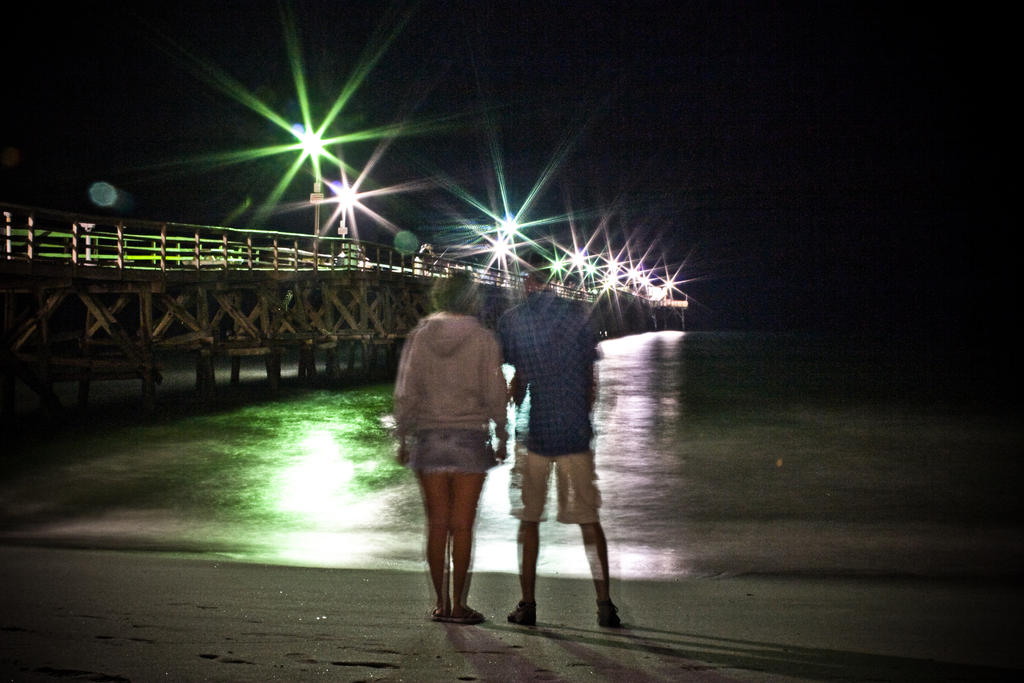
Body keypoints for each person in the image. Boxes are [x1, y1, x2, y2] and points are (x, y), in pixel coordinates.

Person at [497, 255, 621, 628]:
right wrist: (581, 417)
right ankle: (604, 606)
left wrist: (509, 405)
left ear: (525, 281)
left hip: (535, 432)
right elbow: (590, 380)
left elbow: (519, 378)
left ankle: (528, 605)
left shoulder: (513, 319)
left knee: (530, 521)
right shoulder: (579, 314)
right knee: (589, 521)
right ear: (552, 277)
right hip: (574, 433)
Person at [393, 272, 509, 624]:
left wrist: (402, 434)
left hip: (429, 439)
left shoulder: (420, 336)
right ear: (472, 298)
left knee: (437, 526)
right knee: (462, 526)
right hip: (470, 440)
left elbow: (406, 389)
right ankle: (459, 606)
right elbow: (495, 391)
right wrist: (502, 432)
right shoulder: (483, 338)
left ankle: (441, 604)